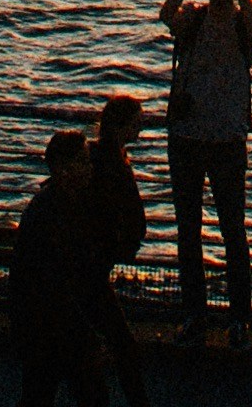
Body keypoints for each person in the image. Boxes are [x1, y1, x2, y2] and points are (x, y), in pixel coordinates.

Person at [158, 0, 252, 341]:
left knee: (232, 229)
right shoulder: (194, 18)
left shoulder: (241, 25)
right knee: (189, 230)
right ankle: (195, 314)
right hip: (187, 137)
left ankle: (240, 317)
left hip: (226, 140)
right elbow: (166, 15)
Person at [11, 128, 112, 407]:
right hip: (54, 325)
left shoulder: (49, 205)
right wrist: (87, 333)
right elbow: (60, 281)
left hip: (41, 323)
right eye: (83, 161)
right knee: (88, 395)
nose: (90, 168)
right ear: (64, 168)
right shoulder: (60, 212)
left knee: (39, 393)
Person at [80, 95, 155, 407]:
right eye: (136, 123)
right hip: (94, 269)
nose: (140, 128)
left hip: (93, 265)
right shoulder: (112, 164)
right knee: (121, 345)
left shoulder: (100, 158)